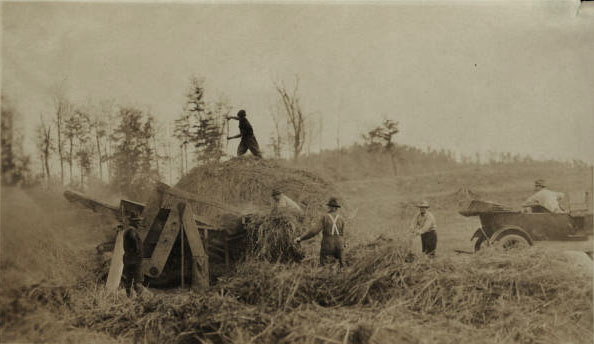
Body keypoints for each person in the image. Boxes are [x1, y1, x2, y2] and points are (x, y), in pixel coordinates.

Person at [294, 197, 345, 269]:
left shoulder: (325, 217)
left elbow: (314, 231)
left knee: (325, 267)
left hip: (328, 244)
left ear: (330, 207)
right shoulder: (341, 218)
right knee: (342, 267)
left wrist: (301, 238)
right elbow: (342, 234)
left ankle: (326, 277)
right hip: (340, 244)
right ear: (337, 208)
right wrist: (343, 244)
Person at [122, 222, 144, 296]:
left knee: (128, 280)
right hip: (135, 260)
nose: (140, 223)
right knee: (138, 281)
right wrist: (137, 252)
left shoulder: (126, 231)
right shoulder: (132, 231)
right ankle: (140, 298)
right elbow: (136, 245)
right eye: (138, 221)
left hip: (128, 259)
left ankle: (129, 297)